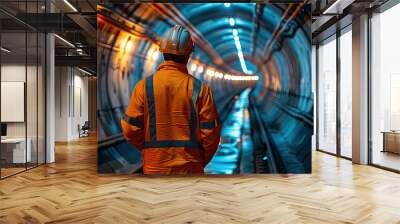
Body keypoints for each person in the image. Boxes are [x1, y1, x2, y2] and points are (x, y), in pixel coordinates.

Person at [121, 25, 221, 174]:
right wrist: (198, 161)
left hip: (155, 167)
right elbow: (211, 134)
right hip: (190, 168)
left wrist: (149, 151)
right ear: (188, 54)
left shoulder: (143, 87)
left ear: (162, 51)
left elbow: (130, 130)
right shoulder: (200, 89)